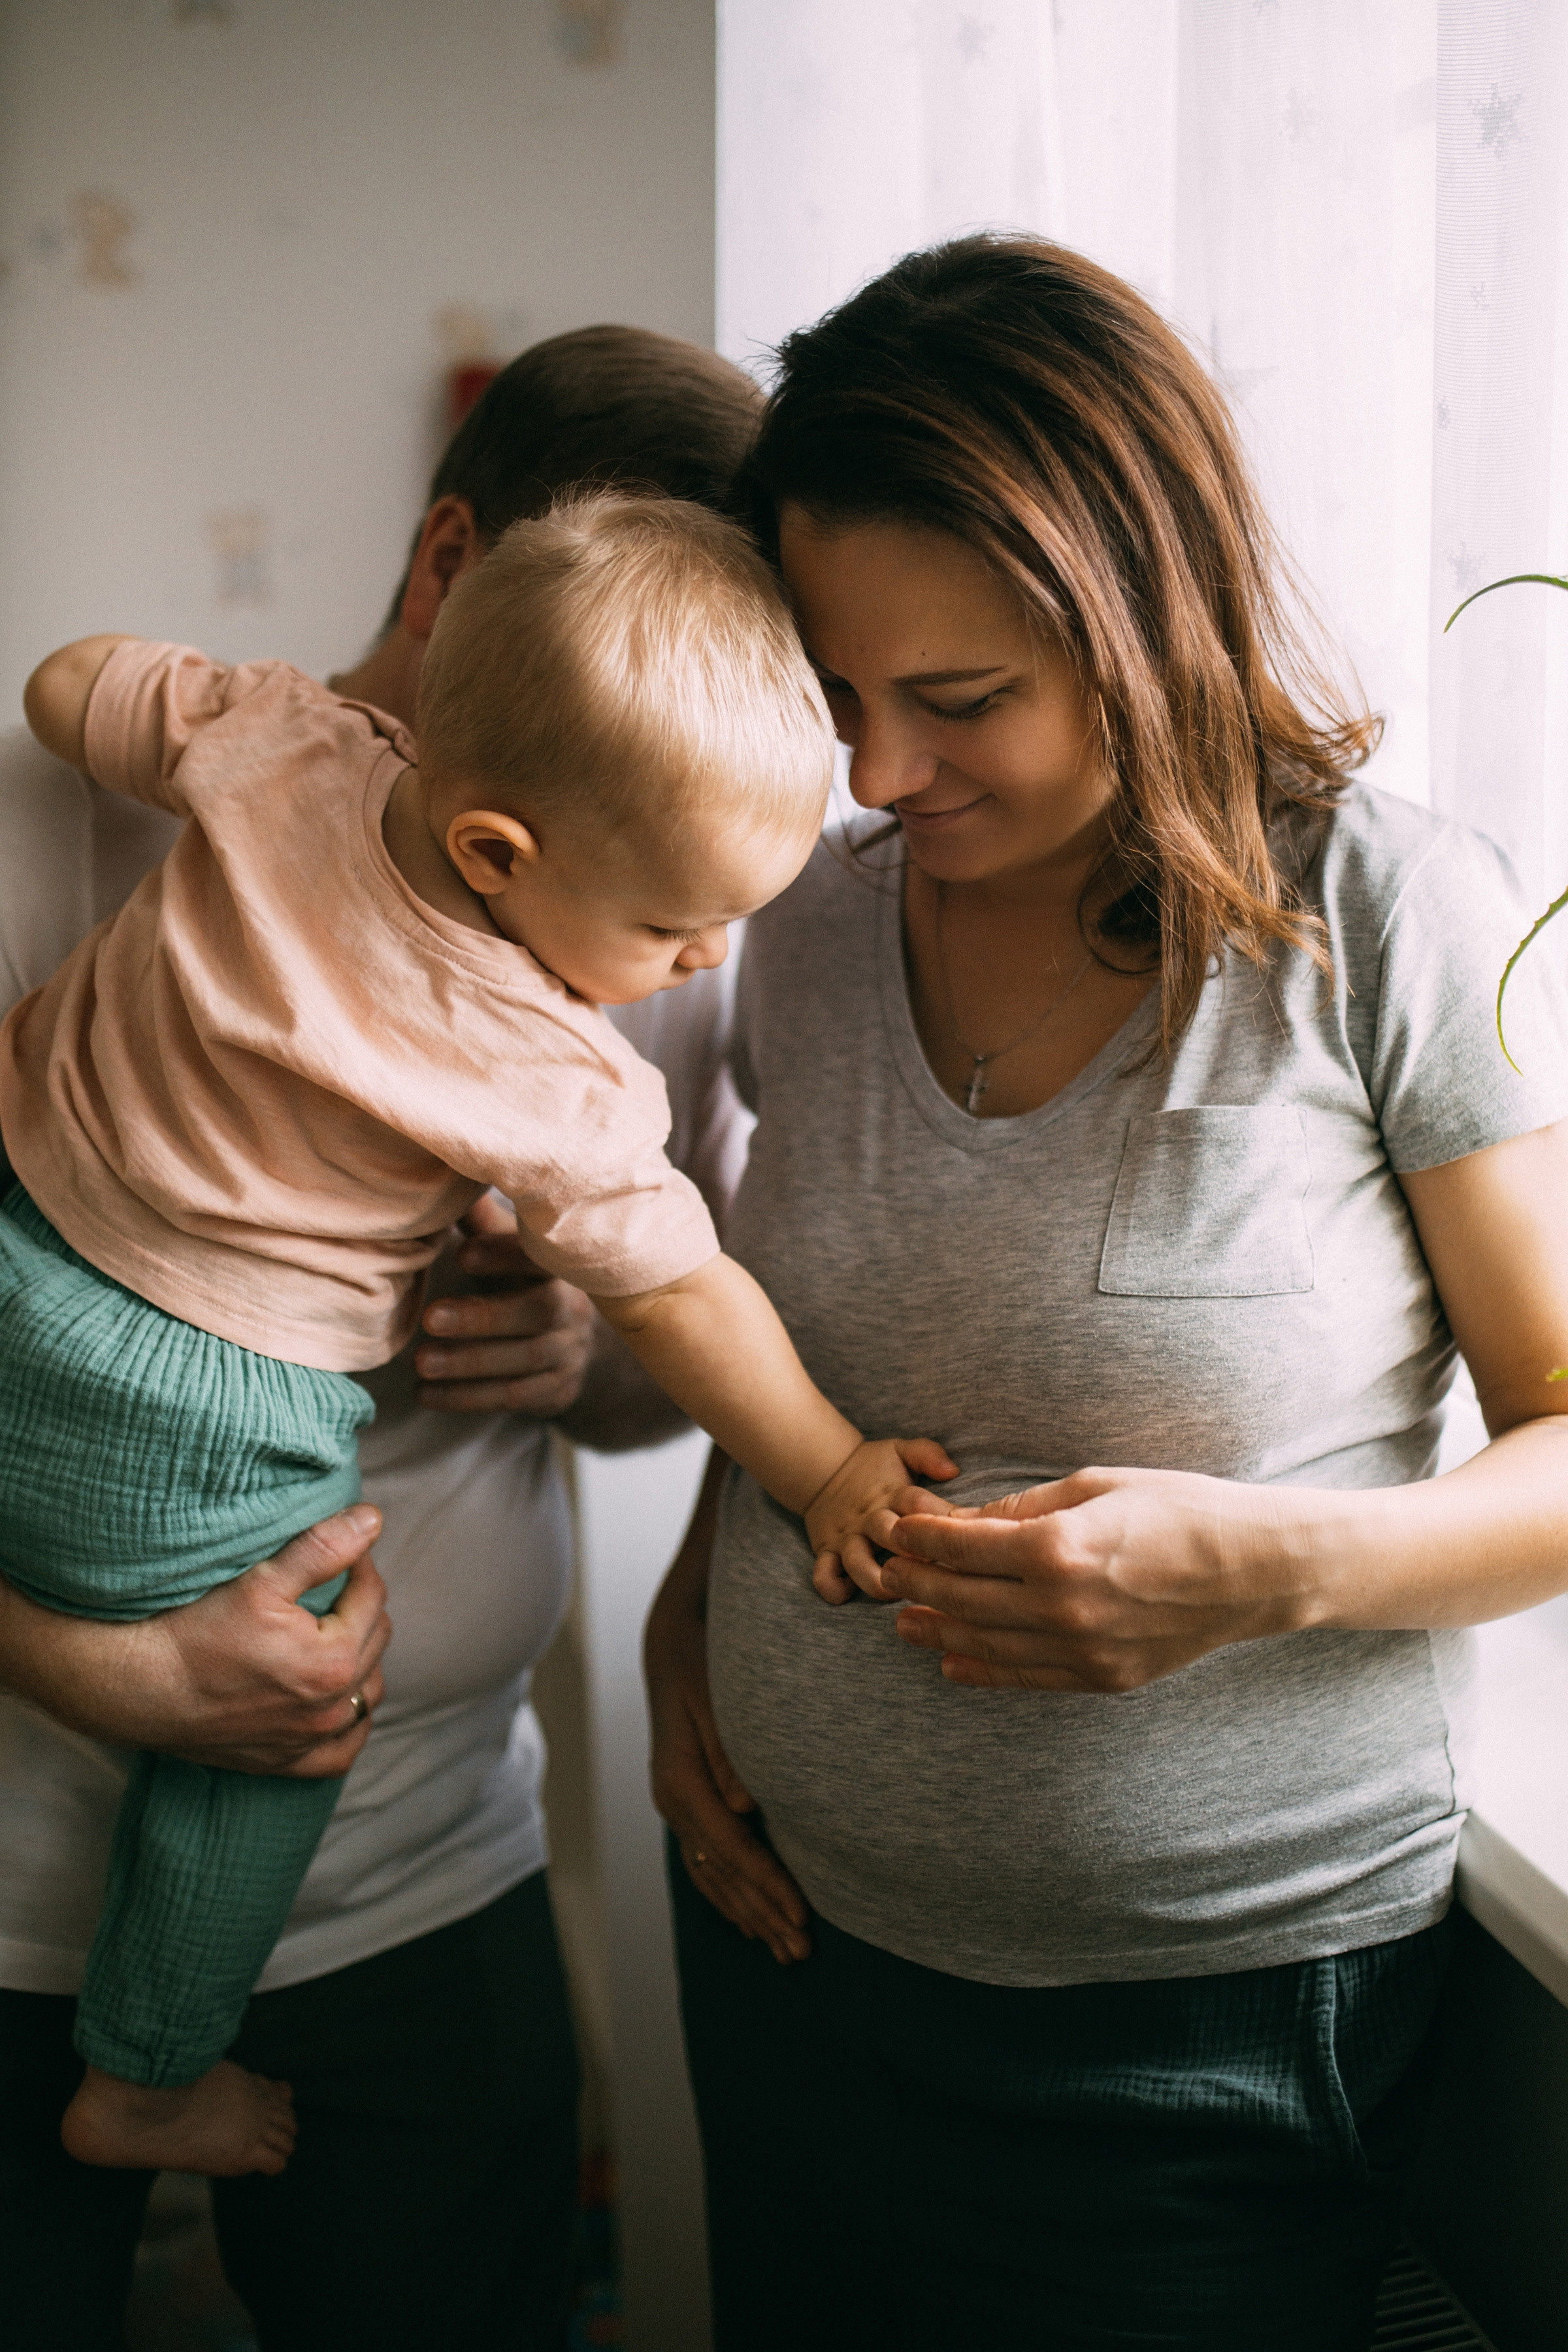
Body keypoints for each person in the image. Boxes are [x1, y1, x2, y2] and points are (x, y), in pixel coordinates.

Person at [645, 236, 1568, 2352]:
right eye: (835, 695)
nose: (876, 775)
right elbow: (817, 1340)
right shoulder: (798, 914)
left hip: (1206, 2027)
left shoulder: (1387, 913)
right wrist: (685, 1612)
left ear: (1143, 610)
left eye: (958, 702)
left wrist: (1256, 1570)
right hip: (796, 1945)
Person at [0, 327, 763, 2352]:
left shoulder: (652, 904)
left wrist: (569, 1359)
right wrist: (110, 1666)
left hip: (432, 1889)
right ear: (453, 563)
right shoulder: (78, 831)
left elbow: (649, 1373)